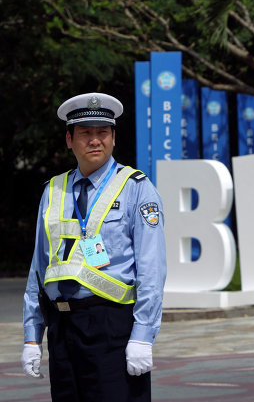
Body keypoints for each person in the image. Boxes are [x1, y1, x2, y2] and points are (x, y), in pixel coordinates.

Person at [21, 92, 167, 401]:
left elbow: (152, 269)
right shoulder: (53, 190)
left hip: (112, 327)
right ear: (69, 140)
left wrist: (143, 336)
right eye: (85, 133)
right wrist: (32, 336)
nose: (95, 140)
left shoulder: (136, 188)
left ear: (114, 138)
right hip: (62, 328)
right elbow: (39, 267)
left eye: (102, 132)